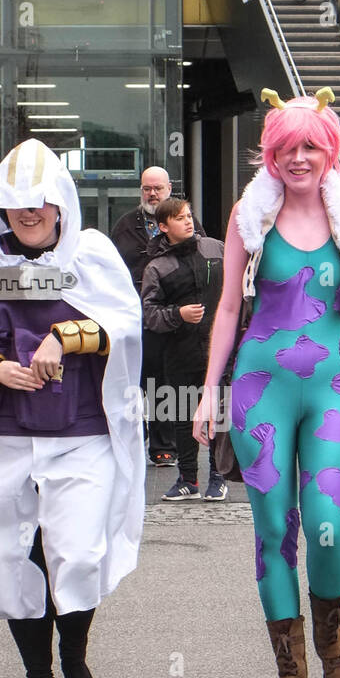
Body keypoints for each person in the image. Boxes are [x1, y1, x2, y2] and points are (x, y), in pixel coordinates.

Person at [193, 88, 340, 678]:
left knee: (328, 521)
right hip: (259, 389)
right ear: (270, 155)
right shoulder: (248, 219)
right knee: (274, 529)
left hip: (332, 384)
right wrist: (208, 389)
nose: (298, 158)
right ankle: (291, 676)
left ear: (330, 150)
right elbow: (227, 307)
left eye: (310, 146)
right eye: (286, 148)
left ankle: (331, 639)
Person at [0, 139, 144, 678]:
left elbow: (124, 330)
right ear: (0, 207)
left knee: (74, 551)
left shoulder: (94, 254)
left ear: (60, 205)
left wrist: (66, 334)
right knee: (14, 555)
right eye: (16, 204)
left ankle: (76, 663)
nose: (29, 214)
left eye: (40, 203)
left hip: (80, 428)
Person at [110, 166, 202, 467]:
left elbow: (200, 261)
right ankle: (139, 433)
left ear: (169, 188)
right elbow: (113, 269)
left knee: (168, 379)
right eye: (147, 188)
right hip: (135, 312)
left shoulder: (186, 222)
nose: (152, 194)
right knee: (139, 376)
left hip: (174, 313)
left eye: (158, 188)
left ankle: (166, 444)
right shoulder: (125, 225)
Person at [141, 197, 228, 502]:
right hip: (179, 350)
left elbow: (237, 293)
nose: (188, 222)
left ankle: (218, 476)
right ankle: (187, 479)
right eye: (179, 218)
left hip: (218, 348)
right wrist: (178, 315)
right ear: (163, 227)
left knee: (219, 413)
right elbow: (148, 313)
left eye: (189, 216)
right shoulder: (156, 267)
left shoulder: (216, 249)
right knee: (181, 413)